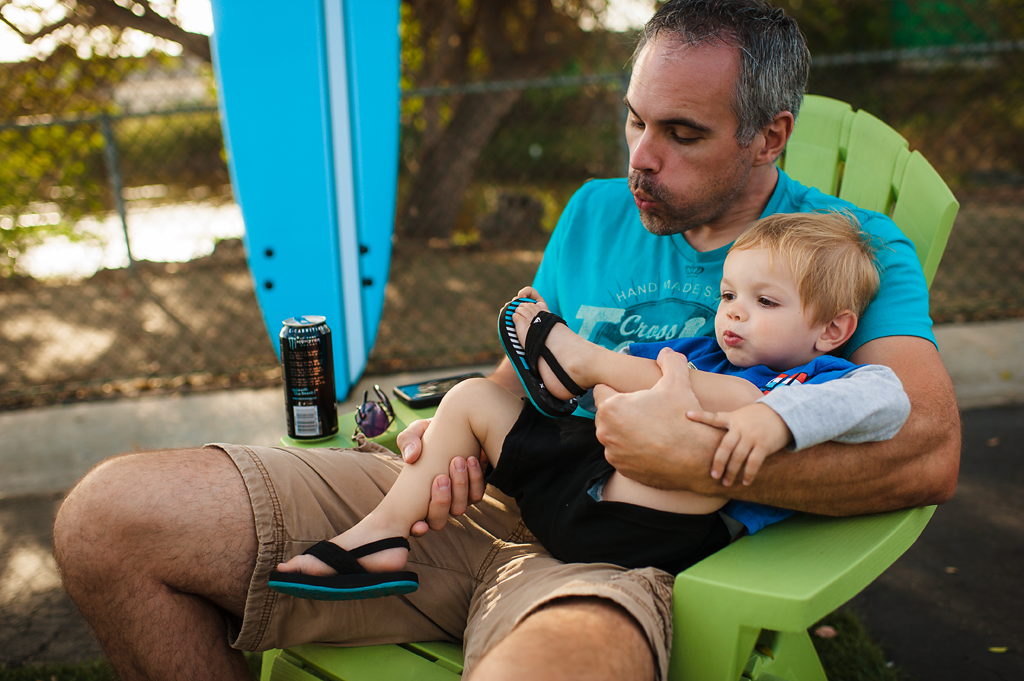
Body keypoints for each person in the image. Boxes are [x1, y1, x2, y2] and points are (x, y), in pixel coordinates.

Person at [52, 2, 960, 680]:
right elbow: (513, 377)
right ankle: (372, 538)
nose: (642, 156)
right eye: (636, 120)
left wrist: (698, 462)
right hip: (472, 498)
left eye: (682, 134)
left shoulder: (848, 253)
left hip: (620, 557)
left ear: (772, 136)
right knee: (107, 521)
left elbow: (924, 449)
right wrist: (441, 439)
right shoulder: (597, 210)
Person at [269, 211, 911, 597]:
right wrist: (448, 443)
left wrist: (774, 417)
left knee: (717, 395)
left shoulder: (824, 376)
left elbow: (889, 399)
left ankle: (575, 358)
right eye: (727, 296)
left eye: (765, 303)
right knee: (471, 397)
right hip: (575, 492)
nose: (735, 313)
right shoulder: (703, 351)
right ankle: (373, 541)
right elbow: (614, 407)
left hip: (651, 533)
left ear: (831, 329)